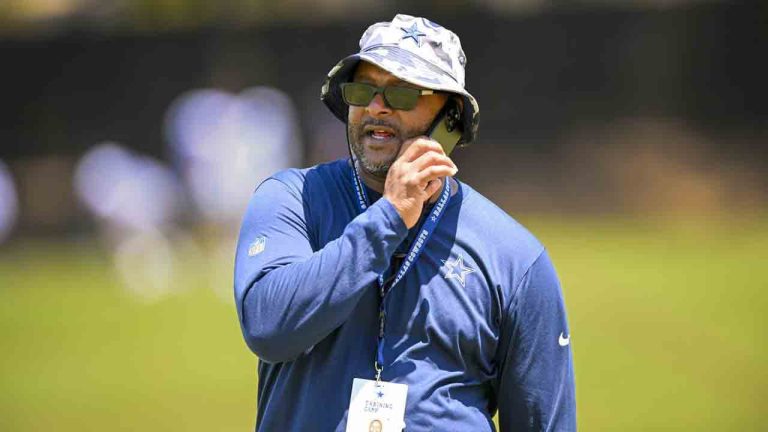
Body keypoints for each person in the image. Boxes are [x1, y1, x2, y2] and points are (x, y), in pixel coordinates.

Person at [234, 14, 576, 431]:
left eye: (401, 93)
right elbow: (269, 328)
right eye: (363, 90)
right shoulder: (291, 199)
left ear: (451, 117)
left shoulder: (516, 258)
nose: (376, 107)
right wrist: (390, 217)